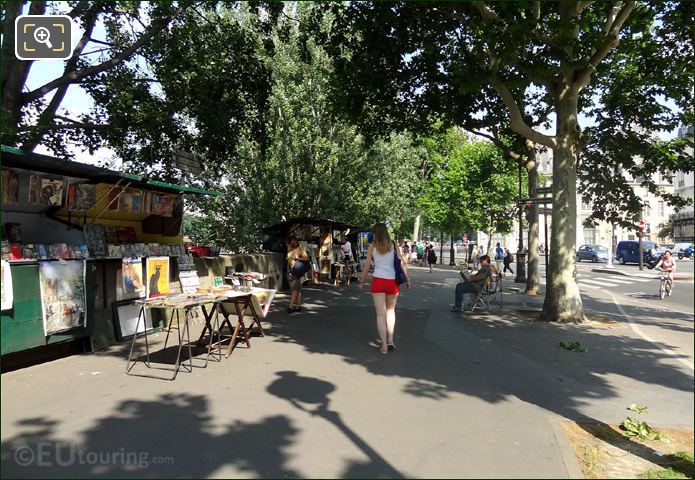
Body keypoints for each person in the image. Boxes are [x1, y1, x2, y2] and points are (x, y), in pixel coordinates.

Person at [359, 223, 411, 354]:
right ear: (387, 232)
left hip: (378, 281)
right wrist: (408, 279)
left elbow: (366, 267)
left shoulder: (372, 246)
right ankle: (391, 340)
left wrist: (362, 281)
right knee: (390, 311)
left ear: (375, 233)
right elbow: (401, 263)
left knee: (380, 314)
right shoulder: (393, 244)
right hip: (392, 282)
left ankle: (383, 346)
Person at [286, 236, 311, 312]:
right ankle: (298, 306)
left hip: (297, 272)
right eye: (292, 241)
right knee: (298, 289)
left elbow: (307, 259)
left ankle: (291, 306)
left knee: (294, 289)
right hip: (292, 271)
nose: (294, 242)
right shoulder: (289, 249)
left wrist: (298, 258)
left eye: (295, 241)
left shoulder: (300, 249)